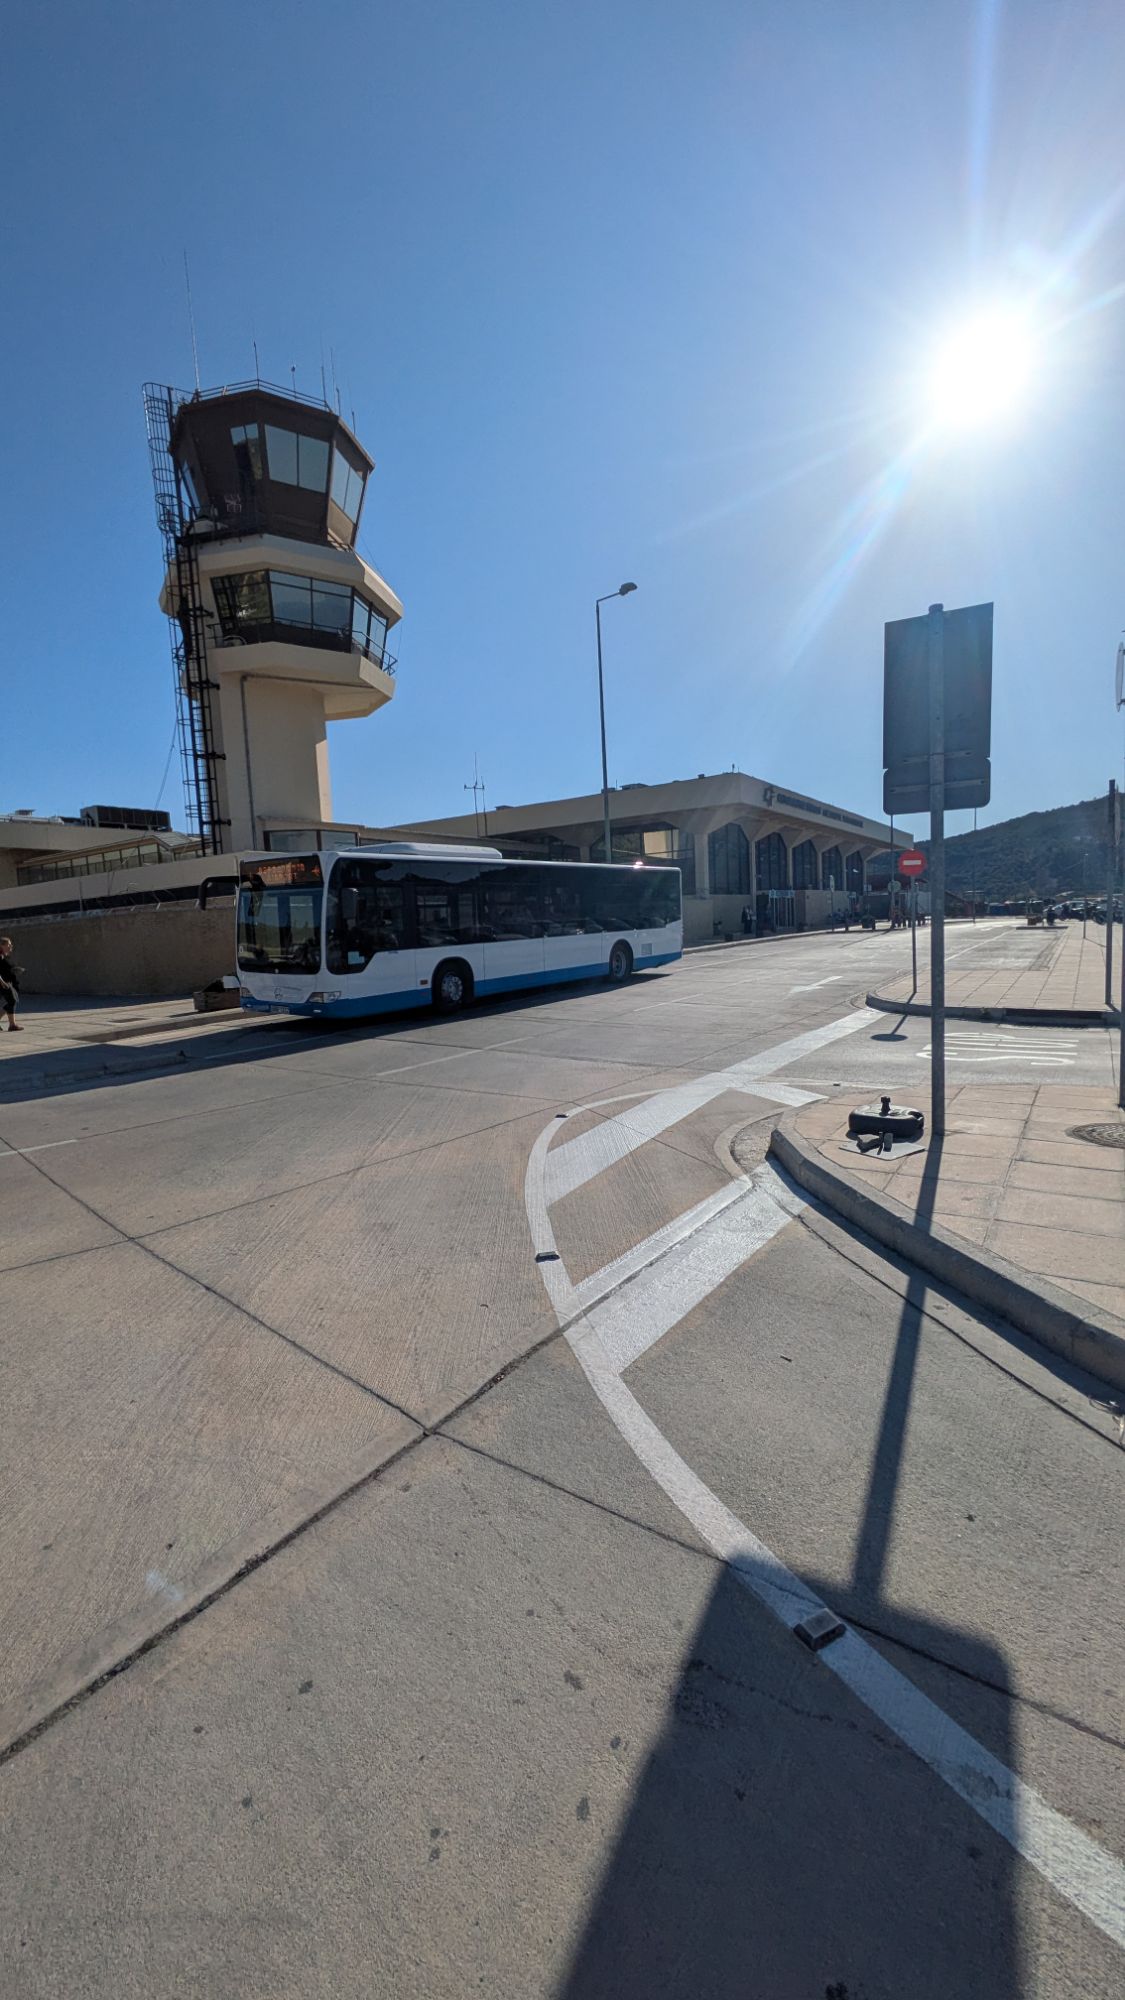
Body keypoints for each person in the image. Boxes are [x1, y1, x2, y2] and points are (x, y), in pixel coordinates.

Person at [0, 935, 22, 1031]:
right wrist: (2, 982)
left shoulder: (3, 956)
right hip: (3, 983)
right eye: (8, 944)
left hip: (6, 982)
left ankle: (12, 1025)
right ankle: (12, 1025)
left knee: (11, 1001)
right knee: (12, 1000)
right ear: (2, 945)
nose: (10, 946)